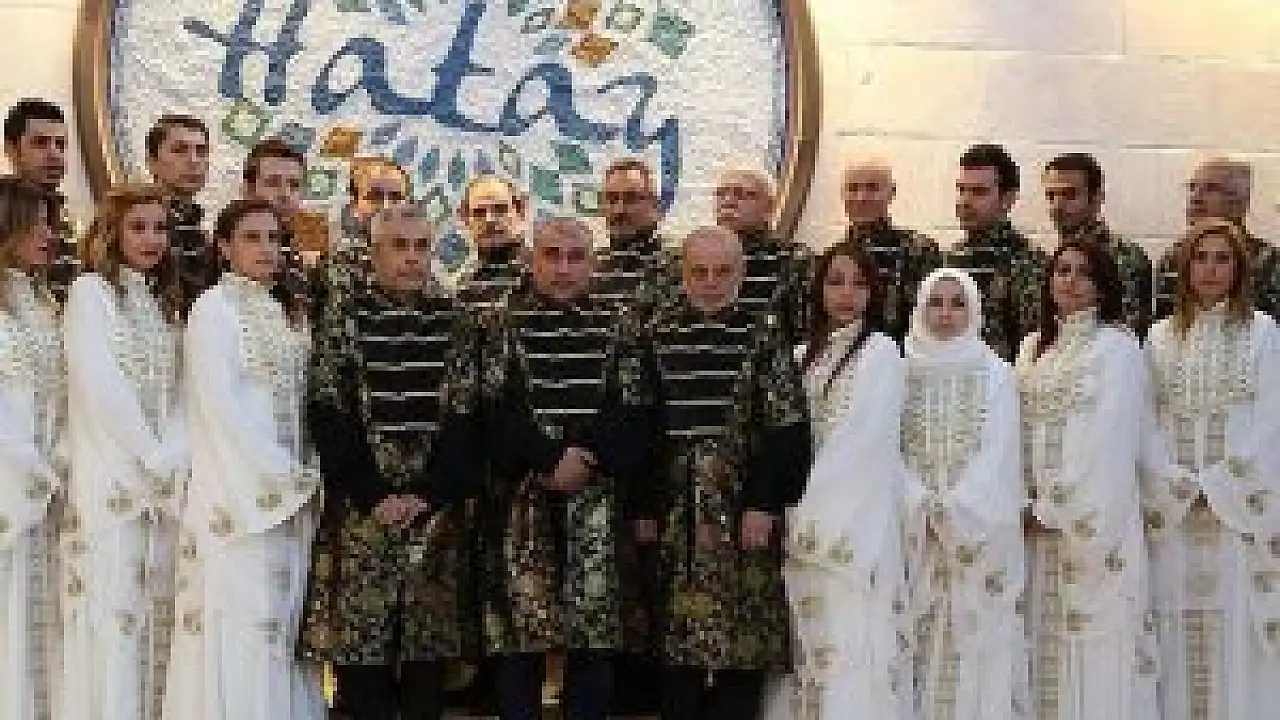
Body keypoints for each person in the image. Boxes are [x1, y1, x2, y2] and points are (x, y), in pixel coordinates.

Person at [299, 206, 485, 720]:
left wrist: (428, 494)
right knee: (363, 662)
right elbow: (328, 411)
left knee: (427, 659)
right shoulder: (344, 319)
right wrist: (373, 494)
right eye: (398, 246)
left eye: (421, 246)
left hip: (435, 515)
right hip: (363, 513)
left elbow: (468, 416)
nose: (411, 258)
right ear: (374, 253)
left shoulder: (457, 320)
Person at [479, 217, 653, 720]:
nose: (563, 268)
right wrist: (547, 460)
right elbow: (490, 406)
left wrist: (587, 456)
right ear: (532, 260)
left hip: (598, 504)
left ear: (593, 263)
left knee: (593, 643)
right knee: (520, 642)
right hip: (519, 504)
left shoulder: (623, 325)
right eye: (552, 255)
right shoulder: (499, 324)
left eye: (576, 257)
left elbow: (636, 406)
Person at [163, 199, 322, 720]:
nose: (266, 249)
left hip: (290, 496)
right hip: (239, 499)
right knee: (242, 624)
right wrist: (281, 475)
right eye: (252, 238)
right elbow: (220, 408)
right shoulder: (213, 309)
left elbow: (299, 405)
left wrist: (306, 472)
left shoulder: (285, 313)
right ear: (225, 248)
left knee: (280, 626)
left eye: (274, 238)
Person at [644, 226, 810, 720]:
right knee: (675, 645)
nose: (711, 282)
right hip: (674, 512)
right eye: (699, 271)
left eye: (722, 271)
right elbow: (642, 426)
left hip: (742, 508)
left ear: (741, 274)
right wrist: (644, 507)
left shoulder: (764, 334)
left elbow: (786, 428)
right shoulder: (655, 334)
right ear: (683, 273)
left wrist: (763, 503)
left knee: (743, 644)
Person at [1143, 219, 1280, 719]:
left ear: (1239, 269)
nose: (1210, 269)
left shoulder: (1263, 333)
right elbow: (1144, 423)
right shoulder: (1159, 338)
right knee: (1176, 638)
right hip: (1175, 517)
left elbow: (1270, 421)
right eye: (1201, 258)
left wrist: (1220, 487)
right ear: (1184, 268)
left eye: (1223, 259)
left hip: (1237, 520)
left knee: (1236, 641)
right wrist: (1178, 487)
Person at [767, 242, 910, 718]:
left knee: (849, 640)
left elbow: (865, 441)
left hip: (853, 522)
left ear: (874, 293)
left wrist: (811, 507)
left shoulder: (882, 353)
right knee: (805, 640)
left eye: (859, 283)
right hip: (798, 515)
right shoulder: (801, 355)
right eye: (835, 282)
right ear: (818, 290)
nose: (847, 294)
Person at [1016, 240, 1158, 720]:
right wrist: (1020, 501)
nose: (1071, 281)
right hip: (1033, 532)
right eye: (1062, 270)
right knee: (1040, 650)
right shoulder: (1032, 349)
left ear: (1103, 285)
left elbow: (1111, 443)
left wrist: (1054, 509)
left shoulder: (1117, 348)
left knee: (1092, 650)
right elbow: (1014, 431)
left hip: (1093, 528)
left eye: (1084, 272)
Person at [59, 185, 186, 720]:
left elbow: (181, 393)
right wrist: (151, 456)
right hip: (112, 481)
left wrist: (169, 456)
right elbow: (100, 386)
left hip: (162, 485)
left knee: (154, 621)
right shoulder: (90, 294)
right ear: (111, 233)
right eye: (138, 227)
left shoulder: (162, 305)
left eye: (160, 228)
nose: (152, 239)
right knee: (112, 618)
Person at [902, 268, 1025, 720]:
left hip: (976, 533)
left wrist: (954, 511)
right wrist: (916, 503)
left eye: (958, 303)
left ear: (974, 312)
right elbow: (885, 448)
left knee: (972, 646)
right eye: (935, 302)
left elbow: (1000, 453)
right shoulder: (899, 371)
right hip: (913, 534)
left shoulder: (996, 374)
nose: (946, 314)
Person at [0, 177, 63, 720]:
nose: (48, 235)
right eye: (35, 223)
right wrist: (30, 468)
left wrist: (57, 462)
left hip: (48, 491)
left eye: (50, 223)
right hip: (13, 489)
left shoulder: (44, 306)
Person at [947, 144, 1048, 361]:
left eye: (978, 192)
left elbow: (1034, 349)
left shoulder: (1029, 262)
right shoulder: (950, 258)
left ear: (1007, 199)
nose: (965, 201)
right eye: (961, 189)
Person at [1155, 158, 1280, 321]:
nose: (1195, 198)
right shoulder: (1174, 259)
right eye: (1192, 188)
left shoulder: (1271, 263)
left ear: (1240, 203)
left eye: (1211, 189)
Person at [1042, 153, 1152, 337]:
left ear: (1096, 198)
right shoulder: (1054, 258)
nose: (1057, 206)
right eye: (1051, 195)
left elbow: (1126, 333)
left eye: (1070, 195)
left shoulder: (1122, 257)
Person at [841, 157, 941, 341]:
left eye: (872, 188)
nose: (861, 198)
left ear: (891, 192)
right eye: (853, 188)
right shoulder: (834, 257)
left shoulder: (921, 251)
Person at [713, 169, 814, 343]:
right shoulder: (693, 259)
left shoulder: (793, 260)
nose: (728, 202)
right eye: (720, 194)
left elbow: (804, 332)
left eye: (741, 194)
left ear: (769, 208)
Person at [3, 99, 74, 301]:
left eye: (60, 144)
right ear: (11, 149)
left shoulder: (70, 220)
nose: (54, 154)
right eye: (40, 143)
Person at [145, 115, 212, 314]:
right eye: (180, 150)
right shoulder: (135, 229)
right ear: (152, 162)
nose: (193, 161)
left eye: (201, 151)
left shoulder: (205, 239)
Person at [455, 175, 528, 313]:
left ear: (520, 213)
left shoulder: (542, 276)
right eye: (479, 212)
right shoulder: (462, 287)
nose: (489, 220)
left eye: (500, 210)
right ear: (465, 220)